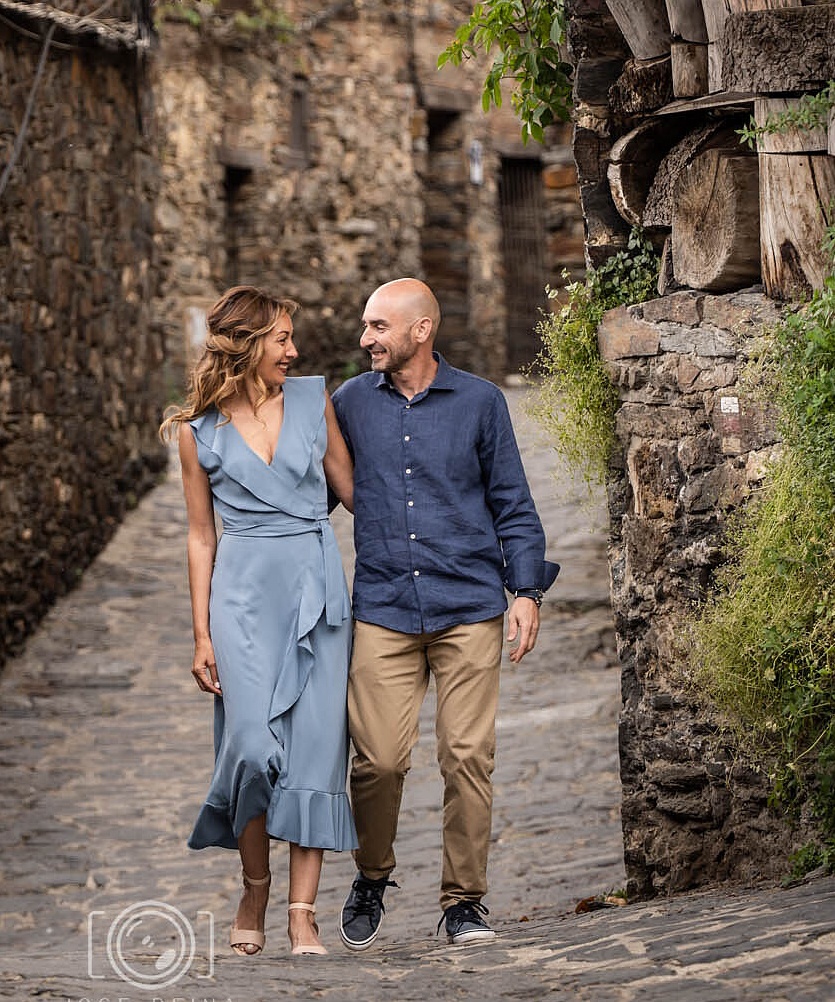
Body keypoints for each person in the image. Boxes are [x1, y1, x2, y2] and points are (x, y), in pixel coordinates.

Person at [329, 278, 559, 949]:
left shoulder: (482, 403)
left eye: (378, 326)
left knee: (466, 755)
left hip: (468, 607)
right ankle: (372, 873)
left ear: (420, 330)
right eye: (366, 325)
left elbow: (513, 503)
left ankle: (463, 903)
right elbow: (315, 494)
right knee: (377, 761)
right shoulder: (346, 404)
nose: (365, 338)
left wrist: (526, 592)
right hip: (384, 607)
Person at [170, 285, 357, 957]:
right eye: (282, 338)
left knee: (314, 752)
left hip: (315, 588)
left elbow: (356, 491)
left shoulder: (314, 400)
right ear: (246, 344)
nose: (294, 350)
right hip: (242, 601)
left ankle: (301, 913)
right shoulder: (201, 434)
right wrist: (201, 634)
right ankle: (256, 884)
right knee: (250, 748)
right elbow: (200, 536)